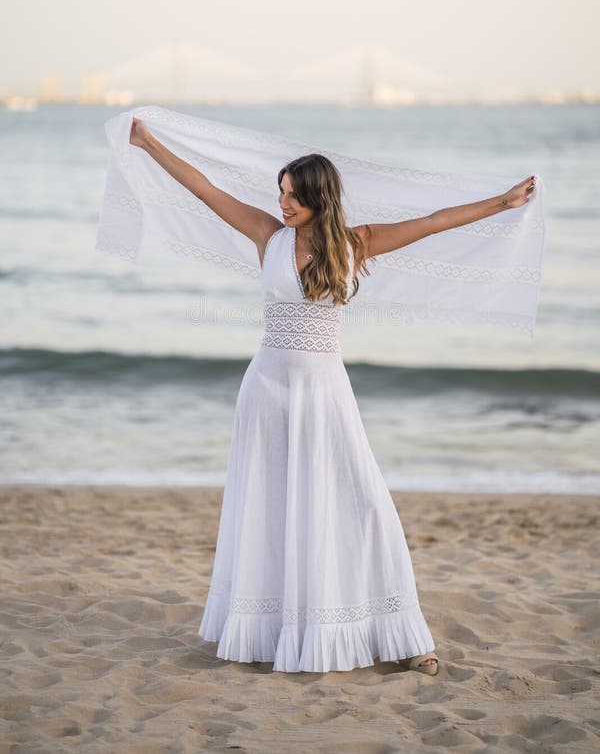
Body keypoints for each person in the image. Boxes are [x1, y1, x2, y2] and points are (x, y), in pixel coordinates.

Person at [128, 116, 535, 675]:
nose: (283, 201)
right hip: (267, 391)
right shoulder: (268, 236)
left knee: (364, 504)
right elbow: (204, 188)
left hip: (325, 394)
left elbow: (434, 221)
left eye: (294, 195)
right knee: (275, 509)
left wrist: (502, 203)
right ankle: (279, 630)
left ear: (320, 198)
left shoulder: (354, 244)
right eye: (281, 192)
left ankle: (405, 635)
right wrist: (149, 143)